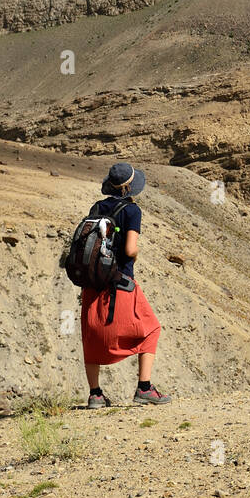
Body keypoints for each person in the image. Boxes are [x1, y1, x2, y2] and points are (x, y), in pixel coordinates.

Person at [81, 162, 172, 407]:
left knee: (91, 337)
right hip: (120, 283)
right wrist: (137, 252)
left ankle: (95, 395)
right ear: (130, 187)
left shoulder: (97, 207)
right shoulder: (132, 211)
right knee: (151, 327)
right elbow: (130, 249)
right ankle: (144, 388)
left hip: (92, 283)